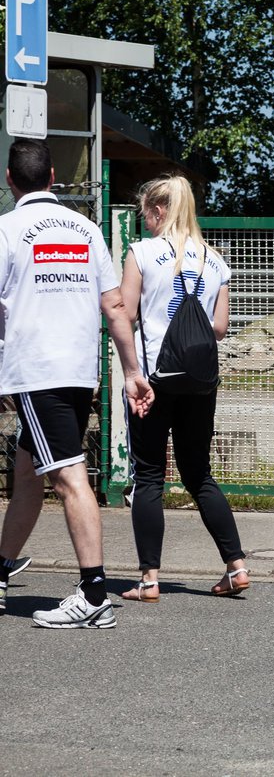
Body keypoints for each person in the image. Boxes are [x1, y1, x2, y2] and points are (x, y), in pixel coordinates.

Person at [0, 138, 153, 628]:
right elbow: (114, 307)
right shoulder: (87, 228)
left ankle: (93, 594)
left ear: (10, 181)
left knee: (68, 476)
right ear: (51, 179)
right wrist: (132, 372)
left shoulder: (6, 230)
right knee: (28, 475)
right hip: (78, 370)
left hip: (36, 370)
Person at [119, 174, 249, 602]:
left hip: (155, 376)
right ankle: (236, 566)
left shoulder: (142, 252)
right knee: (199, 474)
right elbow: (221, 328)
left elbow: (126, 314)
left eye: (147, 216)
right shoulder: (215, 260)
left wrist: (131, 370)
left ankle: (149, 579)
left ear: (158, 211)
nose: (147, 223)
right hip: (200, 381)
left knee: (150, 475)